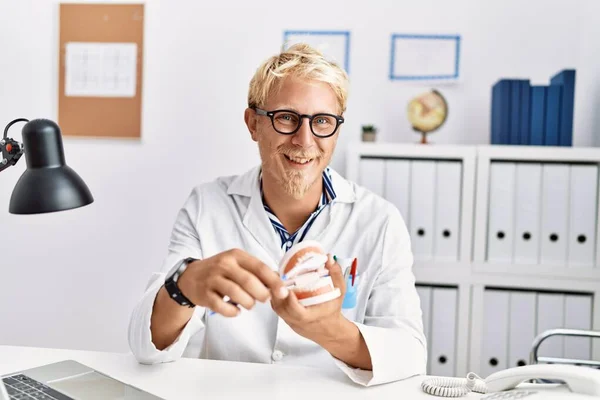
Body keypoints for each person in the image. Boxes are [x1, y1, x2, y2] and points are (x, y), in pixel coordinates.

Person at [128, 43, 427, 386]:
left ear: (336, 130)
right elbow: (145, 347)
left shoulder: (379, 221)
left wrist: (328, 329)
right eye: (286, 117)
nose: (304, 139)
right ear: (253, 124)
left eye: (322, 121)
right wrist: (184, 285)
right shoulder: (207, 206)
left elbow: (410, 355)